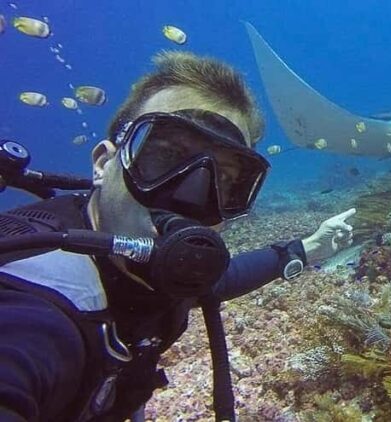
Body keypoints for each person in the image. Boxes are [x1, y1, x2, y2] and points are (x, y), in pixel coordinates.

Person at [0, 51, 355, 421]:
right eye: (164, 156)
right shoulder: (32, 305)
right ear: (104, 164)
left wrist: (308, 247)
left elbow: (221, 281)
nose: (191, 196)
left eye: (228, 180)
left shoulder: (162, 269)